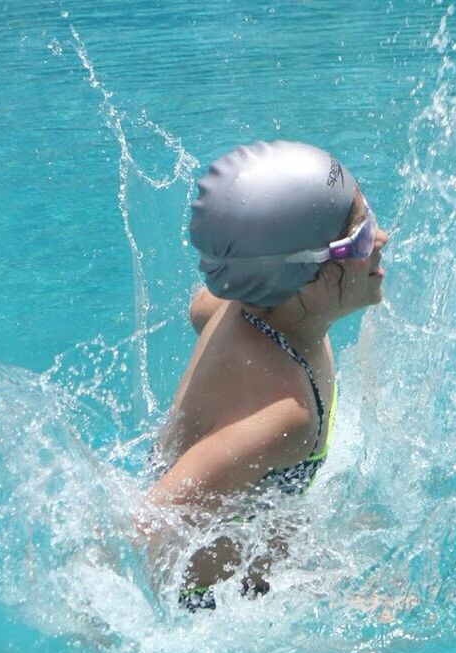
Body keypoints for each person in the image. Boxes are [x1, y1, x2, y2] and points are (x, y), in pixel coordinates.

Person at [144, 140, 388, 610]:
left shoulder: (240, 303)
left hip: (252, 542)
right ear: (298, 276)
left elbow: (200, 308)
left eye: (369, 215)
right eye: (359, 237)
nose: (382, 239)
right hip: (216, 605)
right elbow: (152, 522)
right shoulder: (284, 416)